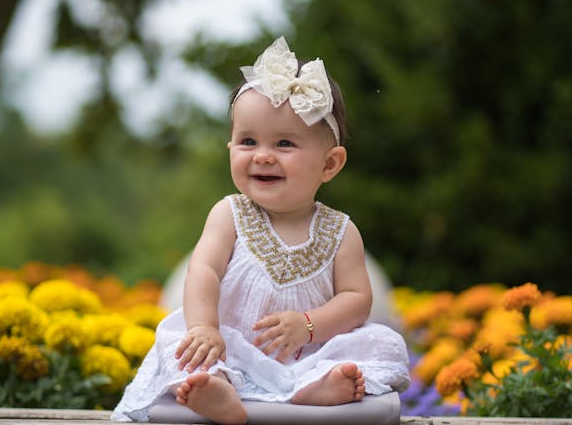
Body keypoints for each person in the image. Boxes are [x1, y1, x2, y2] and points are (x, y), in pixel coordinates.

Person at [111, 37, 410, 424]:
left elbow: (357, 299)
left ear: (329, 164)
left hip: (309, 352)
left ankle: (314, 387)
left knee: (380, 343)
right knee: (181, 347)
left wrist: (308, 326)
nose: (262, 155)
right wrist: (205, 328)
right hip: (231, 345)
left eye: (285, 143)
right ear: (231, 146)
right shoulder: (229, 214)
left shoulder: (340, 231)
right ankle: (217, 389)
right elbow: (204, 271)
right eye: (248, 141)